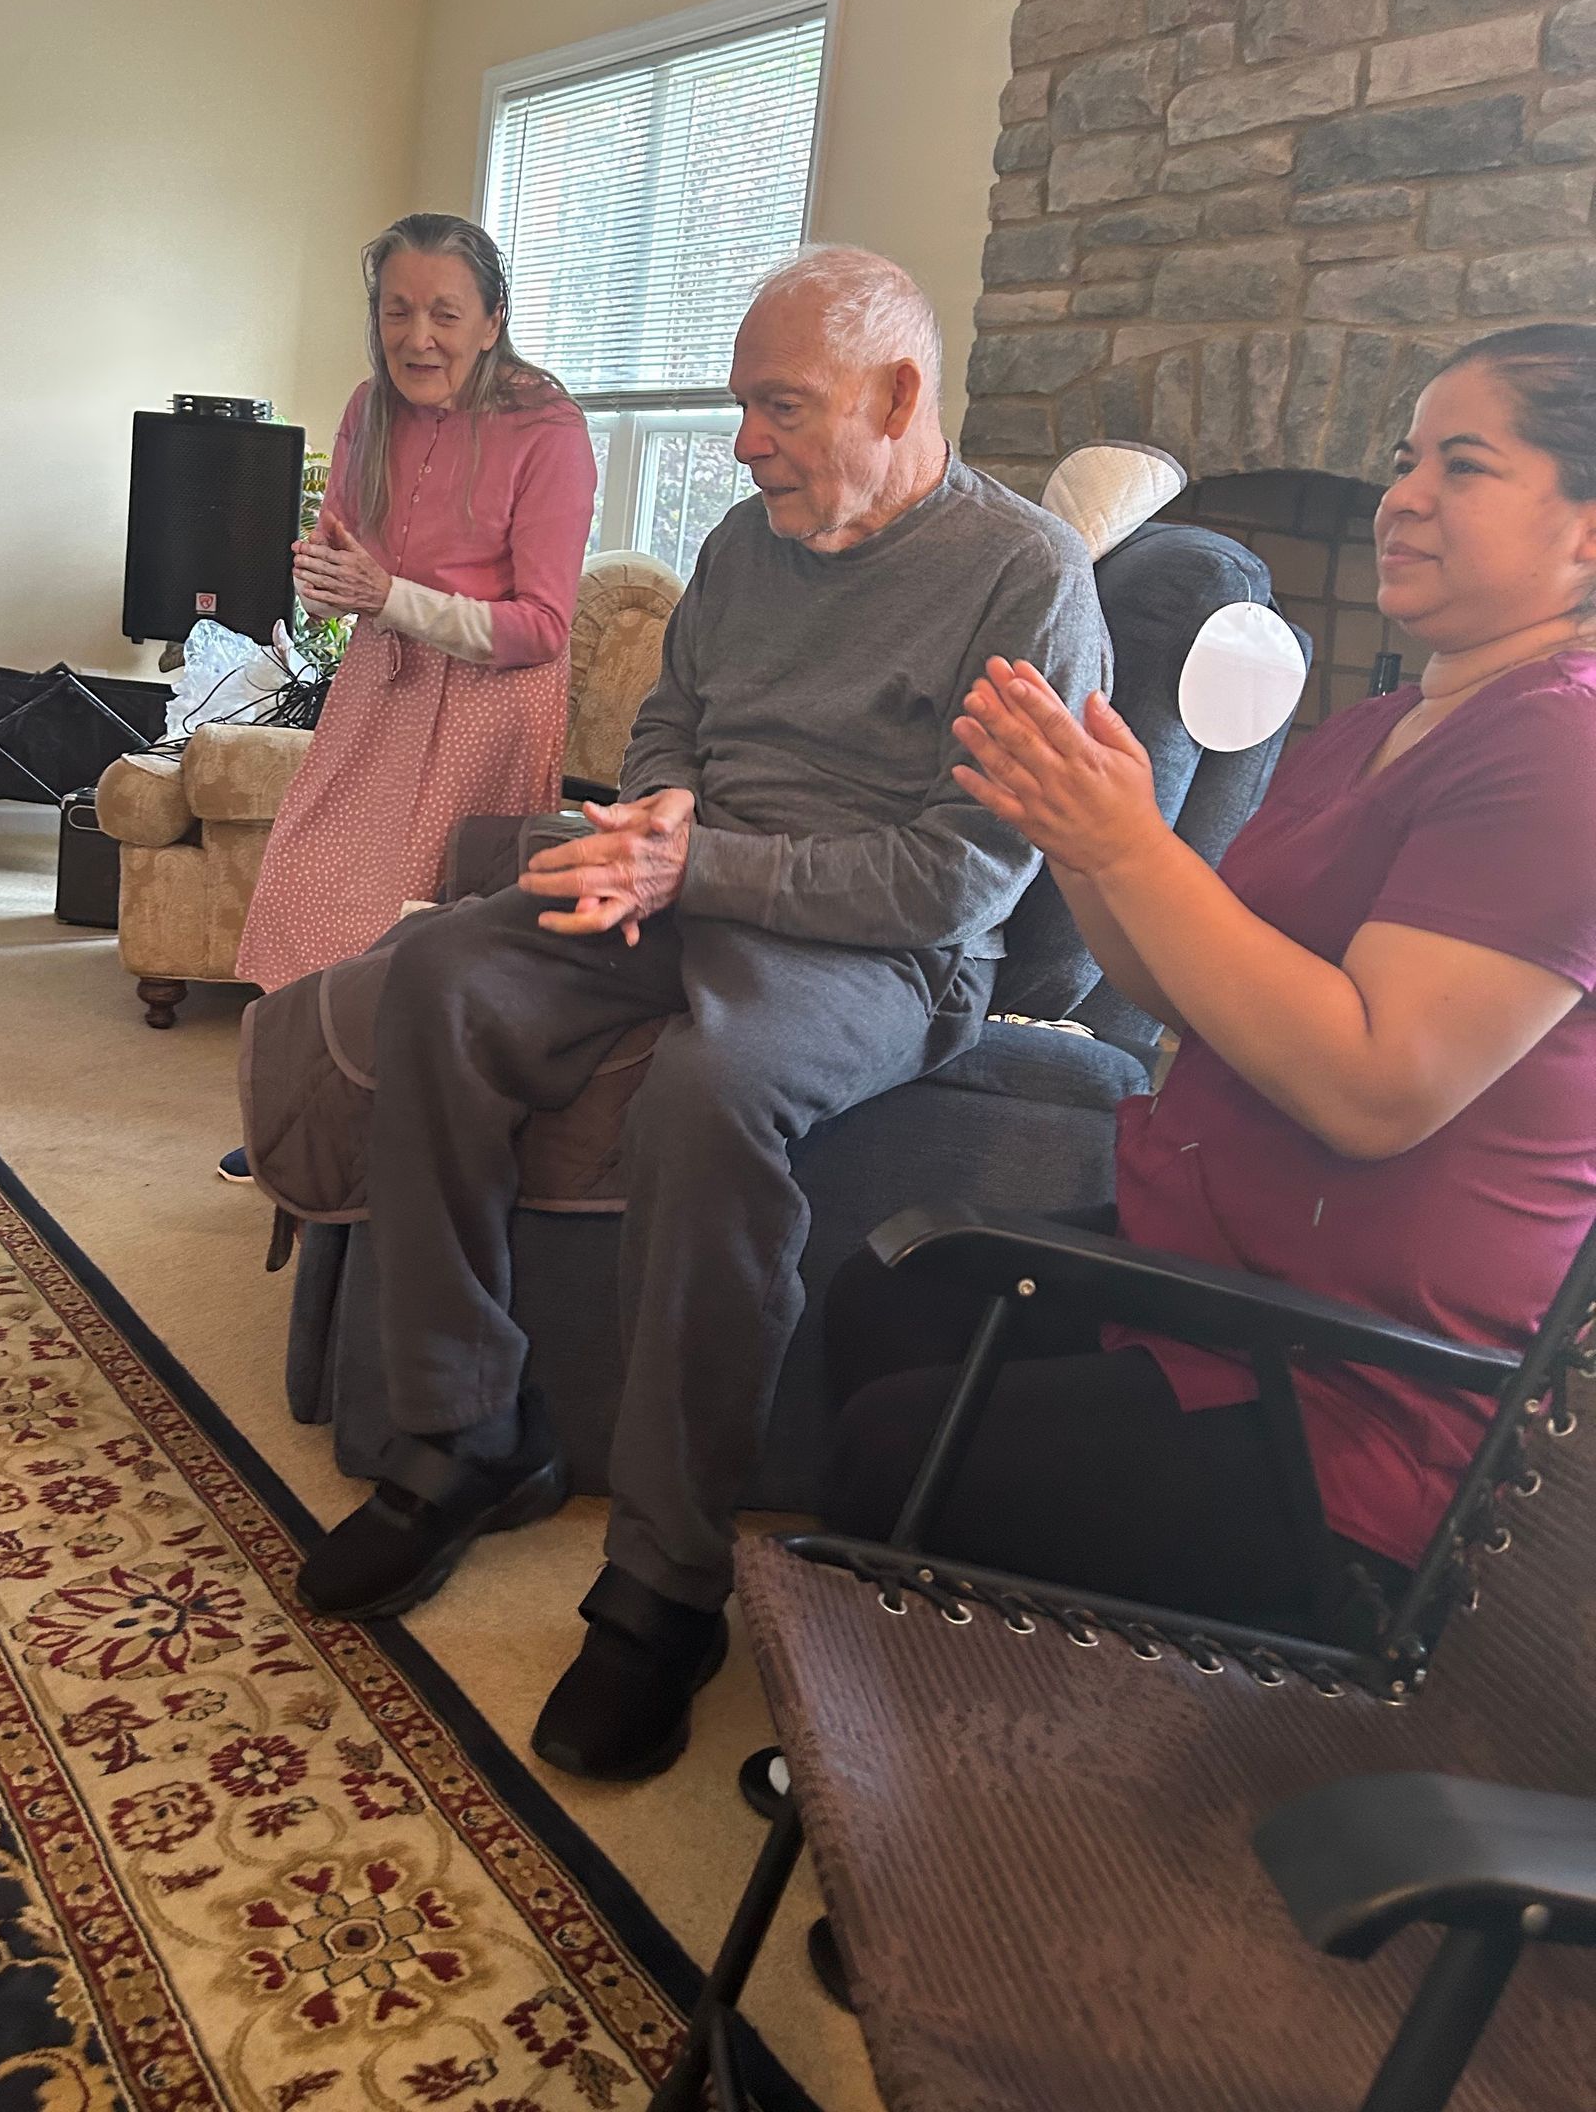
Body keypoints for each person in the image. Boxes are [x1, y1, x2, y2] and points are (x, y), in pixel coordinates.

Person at [292, 246, 1111, 1780]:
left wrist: (702, 860)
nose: (745, 444)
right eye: (741, 408)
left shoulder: (1026, 581)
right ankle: (471, 1432)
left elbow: (959, 884)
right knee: (436, 979)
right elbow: (671, 713)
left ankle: (666, 1585)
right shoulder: (745, 546)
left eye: (779, 407)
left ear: (900, 393)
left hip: (876, 952)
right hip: (682, 887)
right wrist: (652, 818)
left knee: (714, 1091)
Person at [827, 323, 1596, 1638]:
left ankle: (1002, 1766)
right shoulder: (1371, 727)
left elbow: (1370, 1087)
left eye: (1463, 468)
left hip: (1352, 1395)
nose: (1403, 495)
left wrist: (1131, 841)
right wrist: (1086, 843)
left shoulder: (1565, 752)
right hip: (1221, 1278)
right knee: (888, 1300)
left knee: (908, 1440)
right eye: (1406, 459)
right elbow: (1198, 987)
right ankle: (938, 1690)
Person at [220, 213, 596, 1179]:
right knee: (305, 878)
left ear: (492, 319)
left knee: (407, 919)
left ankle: (390, 1138)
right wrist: (332, 580)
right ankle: (304, 1119)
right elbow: (352, 549)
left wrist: (391, 597)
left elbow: (543, 628)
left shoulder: (547, 428)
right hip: (382, 679)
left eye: (444, 313)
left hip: (487, 701)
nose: (416, 337)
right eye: (396, 310)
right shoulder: (367, 406)